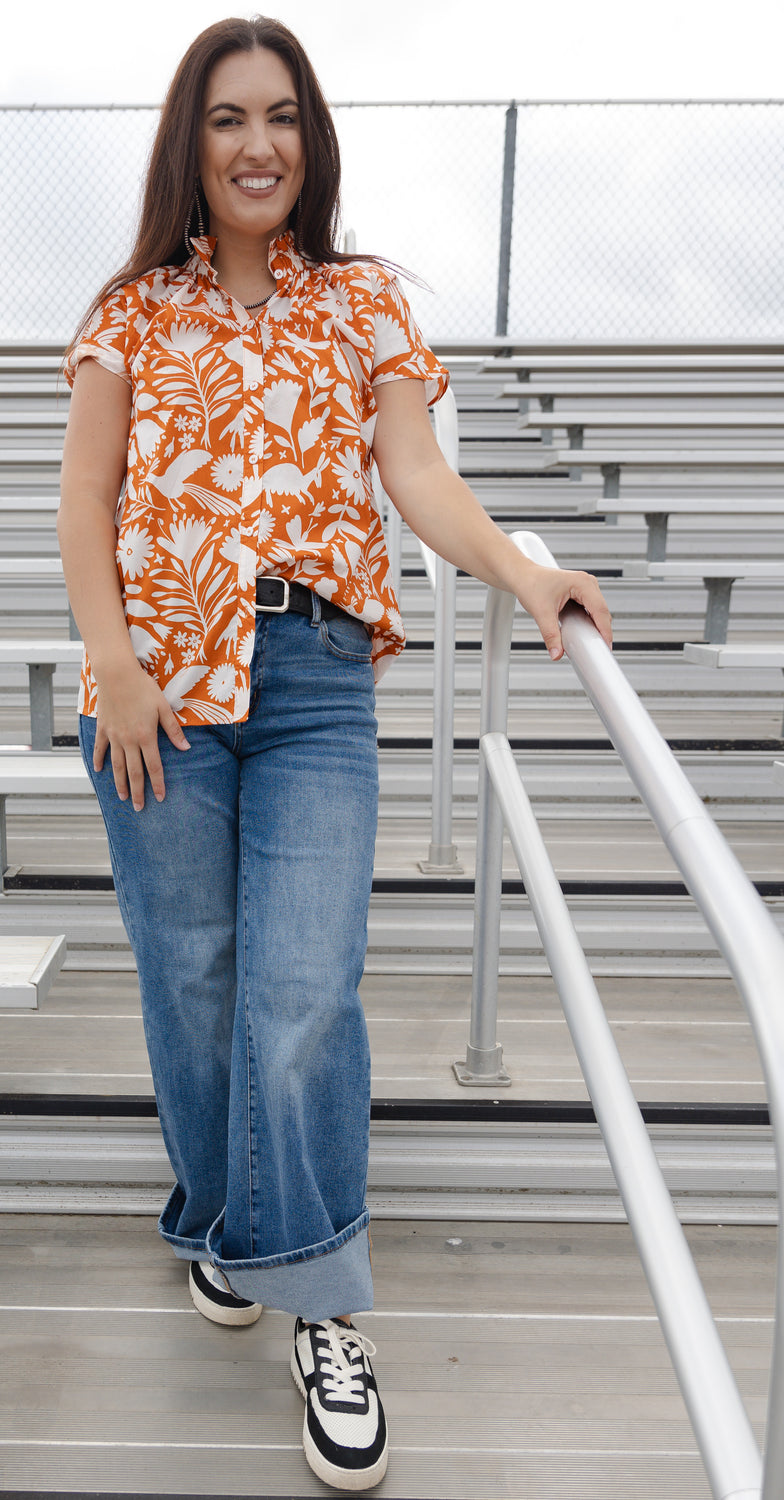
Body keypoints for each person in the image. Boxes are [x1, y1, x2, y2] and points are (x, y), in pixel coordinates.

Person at [57, 15, 612, 1491]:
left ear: (312, 139)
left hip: (309, 682)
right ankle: (230, 1222)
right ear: (194, 138)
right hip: (156, 687)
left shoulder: (363, 305)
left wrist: (521, 574)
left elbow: (419, 475)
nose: (258, 145)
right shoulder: (129, 313)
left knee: (303, 986)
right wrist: (113, 665)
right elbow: (85, 497)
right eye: (231, 117)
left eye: (283, 117)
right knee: (196, 977)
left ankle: (319, 1297)